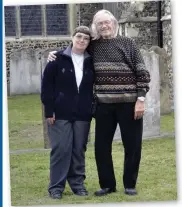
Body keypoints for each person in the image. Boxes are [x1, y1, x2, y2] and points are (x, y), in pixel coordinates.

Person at [47, 9, 151, 196]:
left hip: (129, 103)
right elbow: (75, 46)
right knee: (102, 147)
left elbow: (142, 73)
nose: (104, 26)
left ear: (114, 23)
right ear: (96, 26)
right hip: (103, 104)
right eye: (100, 23)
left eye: (107, 22)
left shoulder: (128, 43)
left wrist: (141, 99)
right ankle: (107, 185)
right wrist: (54, 53)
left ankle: (130, 184)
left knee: (133, 145)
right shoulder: (93, 46)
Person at [41, 26, 95, 199]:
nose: (81, 40)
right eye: (79, 37)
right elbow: (47, 86)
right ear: (72, 38)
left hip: (82, 113)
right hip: (60, 112)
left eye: (86, 38)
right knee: (61, 149)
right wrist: (49, 110)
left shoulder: (91, 61)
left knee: (79, 149)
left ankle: (78, 184)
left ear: (89, 42)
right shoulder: (57, 58)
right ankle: (56, 187)